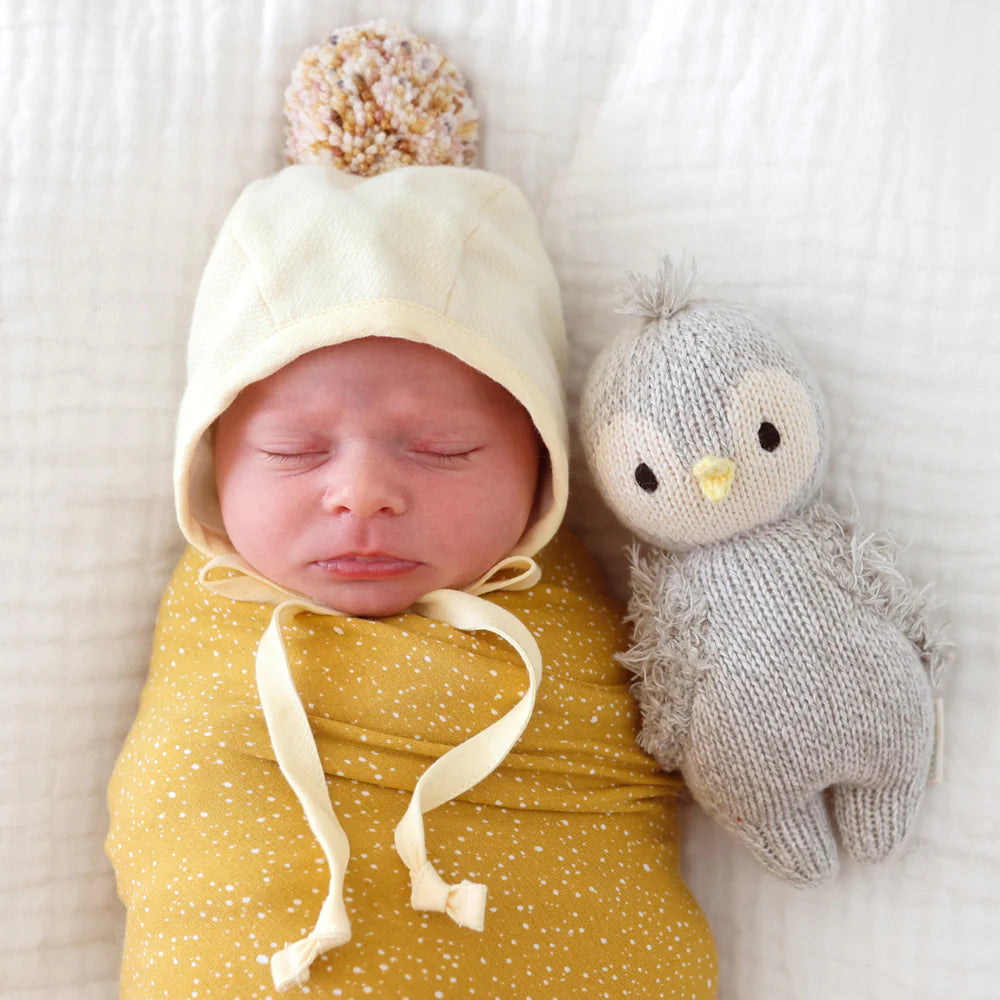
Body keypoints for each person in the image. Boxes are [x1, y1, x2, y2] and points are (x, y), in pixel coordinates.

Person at [106, 24, 718, 1000]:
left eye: (440, 448)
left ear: (539, 457)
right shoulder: (209, 618)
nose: (360, 492)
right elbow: (173, 810)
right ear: (213, 463)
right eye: (295, 449)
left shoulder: (588, 606)